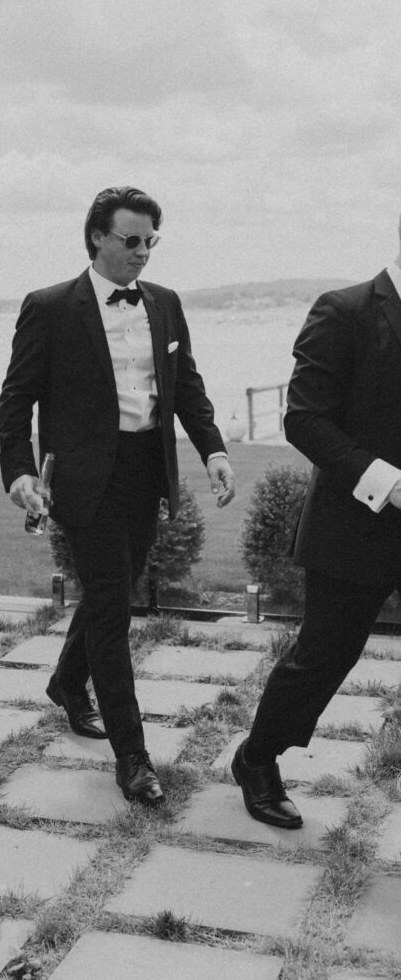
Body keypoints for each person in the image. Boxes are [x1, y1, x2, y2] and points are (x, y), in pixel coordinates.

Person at [0, 185, 235, 805]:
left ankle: (66, 681)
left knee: (114, 590)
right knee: (112, 605)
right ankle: (132, 755)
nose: (143, 252)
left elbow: (186, 386)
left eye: (151, 240)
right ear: (97, 237)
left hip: (145, 470)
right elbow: (16, 399)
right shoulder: (50, 307)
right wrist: (19, 472)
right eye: (131, 240)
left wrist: (213, 451)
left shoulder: (165, 303)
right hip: (84, 480)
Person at [232, 215, 401, 829]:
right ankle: (257, 758)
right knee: (325, 656)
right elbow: (303, 419)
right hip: (356, 523)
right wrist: (390, 482)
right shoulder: (345, 310)